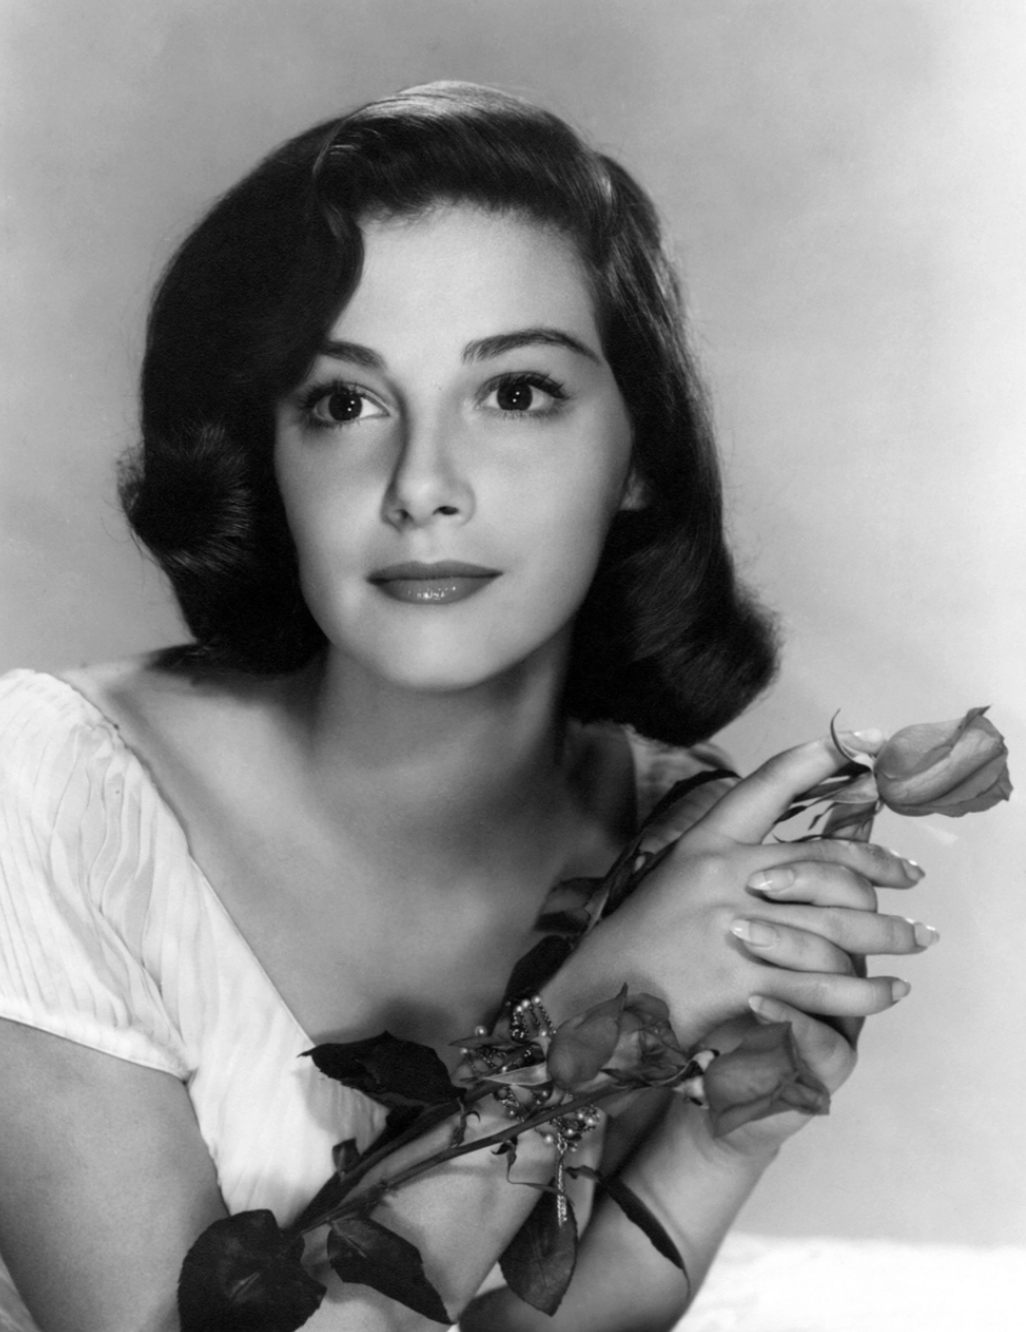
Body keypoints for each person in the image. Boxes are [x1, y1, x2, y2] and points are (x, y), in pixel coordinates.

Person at [0, 82, 932, 1332]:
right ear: (266, 454)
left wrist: (718, 1143)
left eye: (516, 393)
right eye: (343, 404)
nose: (423, 484)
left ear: (640, 450)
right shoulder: (44, 789)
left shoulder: (673, 832)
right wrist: (591, 1017)